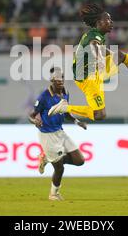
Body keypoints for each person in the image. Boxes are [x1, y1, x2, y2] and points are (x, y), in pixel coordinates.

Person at [48, 3, 128, 121]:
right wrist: (100, 60)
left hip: (90, 74)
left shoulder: (96, 34)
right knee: (100, 115)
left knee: (100, 114)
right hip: (87, 78)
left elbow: (99, 48)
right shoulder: (94, 37)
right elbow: (93, 46)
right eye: (108, 20)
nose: (111, 22)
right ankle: (64, 107)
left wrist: (122, 60)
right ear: (99, 22)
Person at [29, 67, 87, 201]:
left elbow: (66, 113)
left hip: (60, 132)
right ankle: (53, 194)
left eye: (62, 78)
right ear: (52, 80)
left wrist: (78, 122)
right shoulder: (44, 96)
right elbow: (31, 115)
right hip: (47, 135)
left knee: (80, 160)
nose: (60, 81)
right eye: (57, 79)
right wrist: (35, 121)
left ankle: (47, 159)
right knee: (59, 168)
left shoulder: (66, 92)